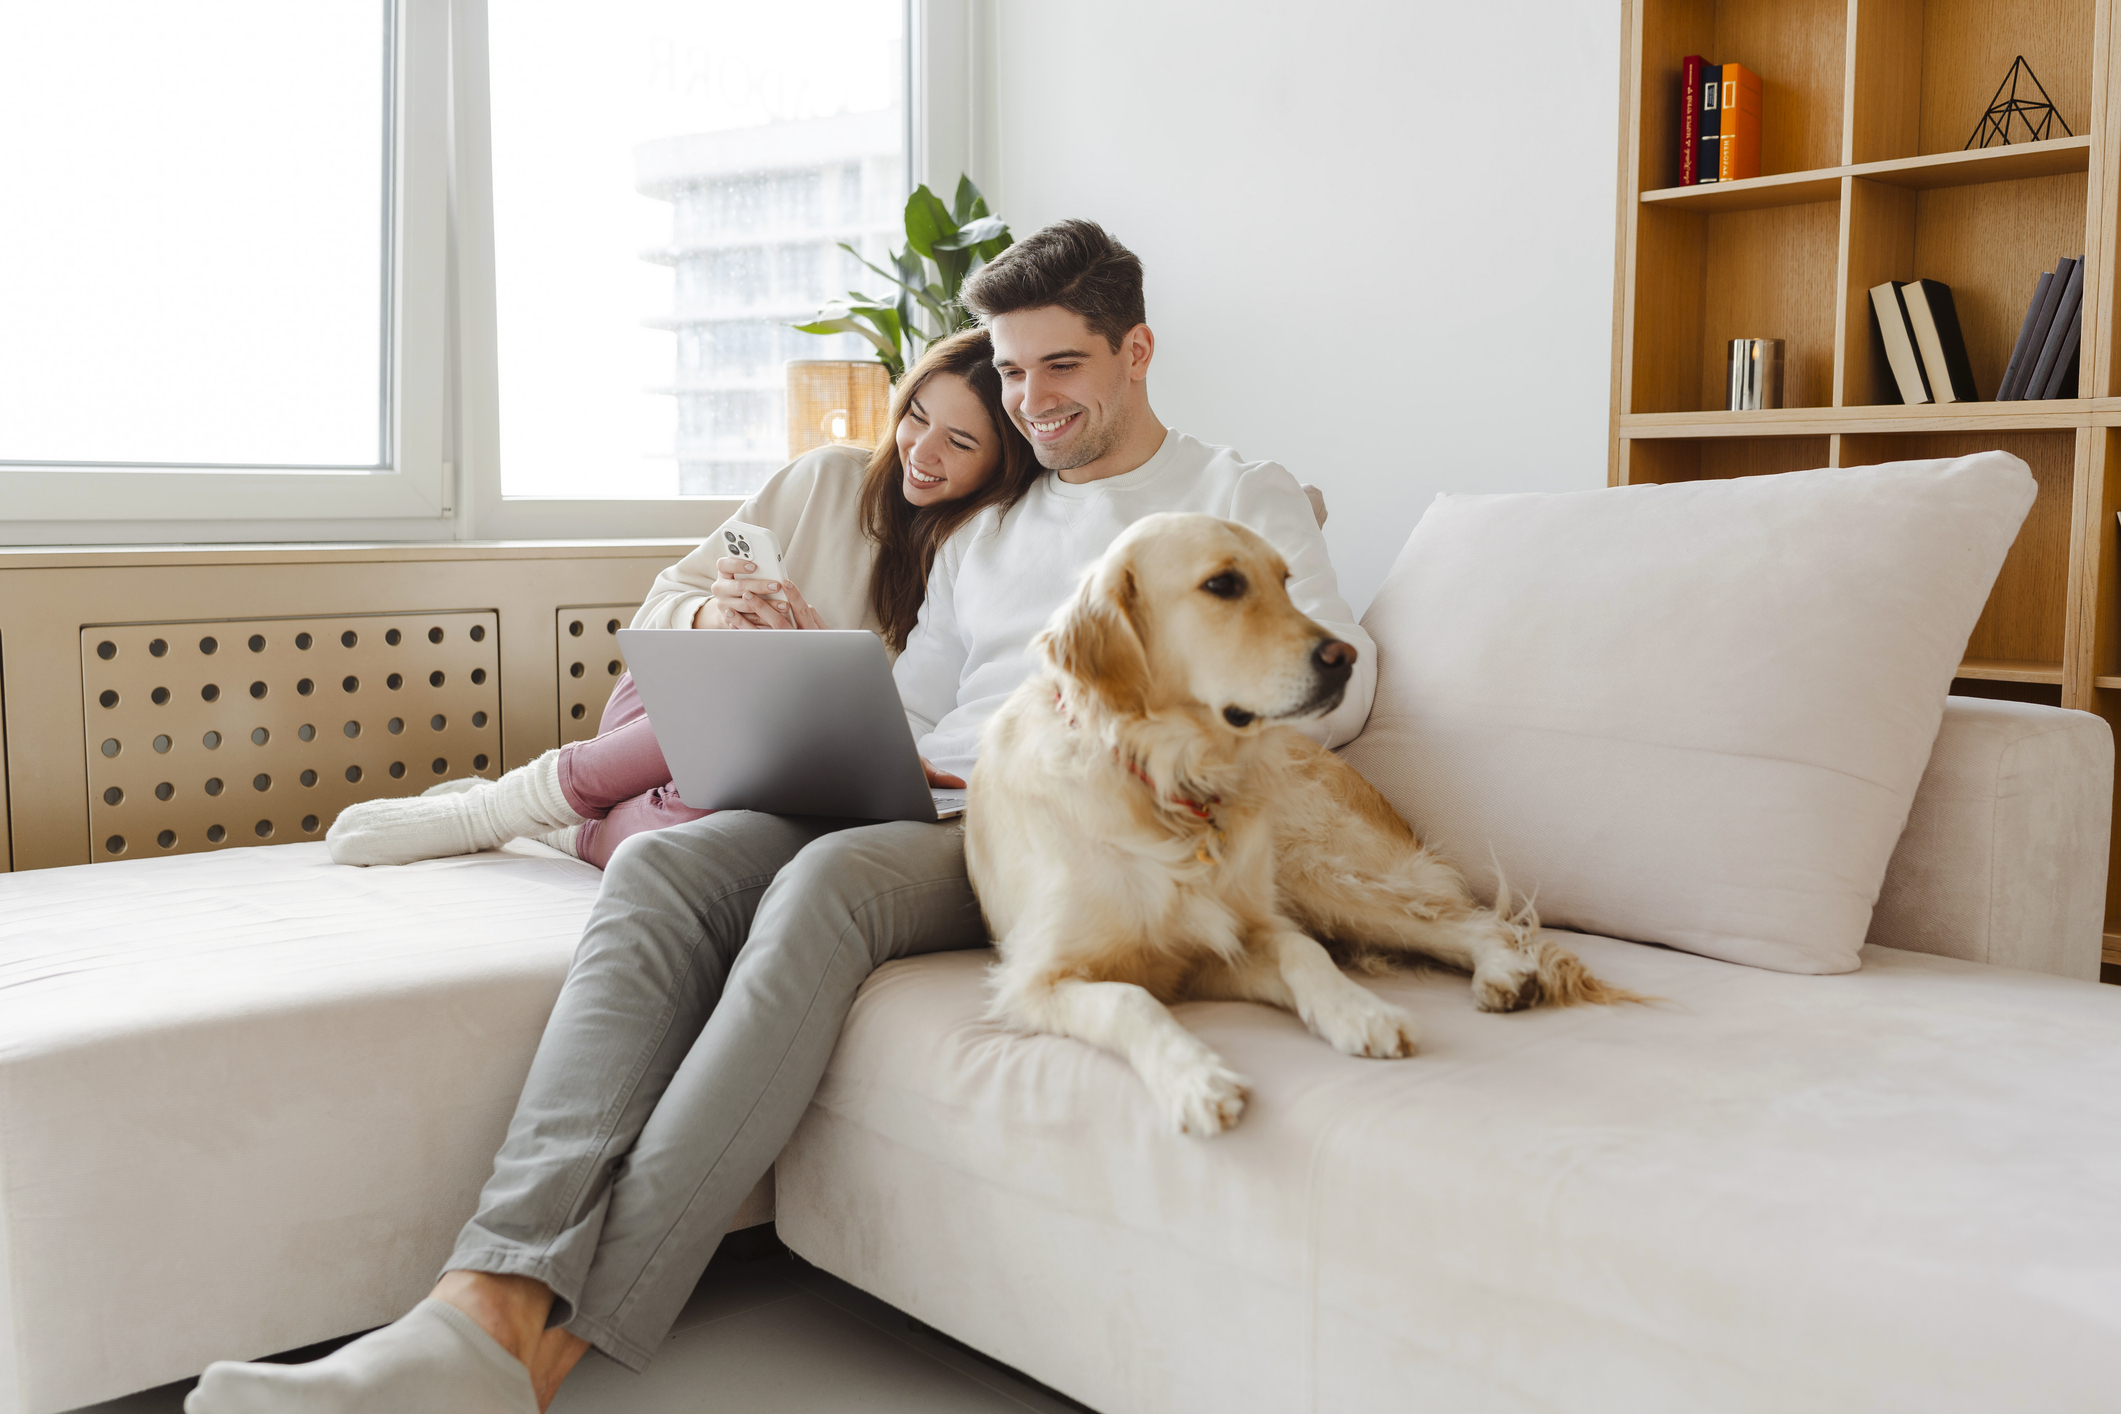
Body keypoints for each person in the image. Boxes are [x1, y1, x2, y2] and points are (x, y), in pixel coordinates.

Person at [186, 219, 1376, 1414]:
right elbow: (920, 706)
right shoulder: (995, 526)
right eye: (1009, 371)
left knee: (828, 886)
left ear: (1135, 351)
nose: (1029, 400)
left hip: (1069, 833)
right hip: (932, 797)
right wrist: (825, 679)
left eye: (1058, 366)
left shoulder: (1236, 495)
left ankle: (517, 1351)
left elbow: (1341, 680)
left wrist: (1152, 723)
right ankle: (478, 1297)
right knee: (668, 871)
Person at [322, 327, 1036, 871]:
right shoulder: (824, 480)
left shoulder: (986, 553)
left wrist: (814, 673)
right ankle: (493, 809)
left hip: (767, 773)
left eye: (960, 441)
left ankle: (566, 827)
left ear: (1004, 460)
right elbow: (661, 607)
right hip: (660, 713)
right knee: (742, 695)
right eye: (915, 415)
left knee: (702, 842)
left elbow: (904, 733)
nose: (920, 450)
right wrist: (714, 616)